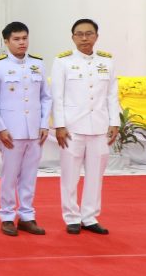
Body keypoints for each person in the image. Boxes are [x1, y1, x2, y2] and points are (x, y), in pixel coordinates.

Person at [51, 18, 120, 235]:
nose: (84, 38)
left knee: (95, 176)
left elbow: (112, 94)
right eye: (79, 34)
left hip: (99, 126)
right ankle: (72, 217)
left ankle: (89, 217)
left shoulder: (107, 61)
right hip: (72, 127)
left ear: (96, 36)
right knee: (70, 175)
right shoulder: (63, 61)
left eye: (89, 34)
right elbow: (57, 96)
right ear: (72, 37)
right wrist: (60, 125)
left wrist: (114, 122)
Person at [0, 21, 52, 236]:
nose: (21, 42)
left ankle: (26, 216)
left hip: (34, 131)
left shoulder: (37, 64)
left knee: (30, 175)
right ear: (6, 41)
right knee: (9, 175)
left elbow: (46, 97)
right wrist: (0, 128)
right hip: (10, 132)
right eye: (16, 39)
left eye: (24, 38)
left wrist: (44, 123)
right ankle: (6, 216)